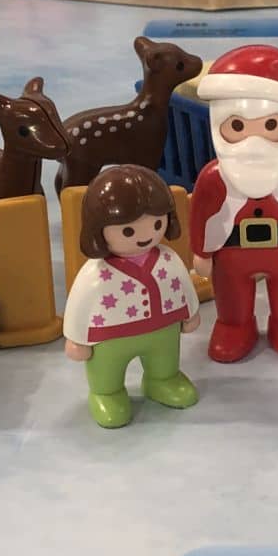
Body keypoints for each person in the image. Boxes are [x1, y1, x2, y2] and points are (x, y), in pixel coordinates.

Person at [187, 45, 278, 363]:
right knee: (232, 298)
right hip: (231, 251)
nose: (255, 141)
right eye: (237, 126)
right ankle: (234, 326)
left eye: (270, 126)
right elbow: (200, 213)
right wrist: (202, 251)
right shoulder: (213, 177)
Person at [62, 165, 201, 429]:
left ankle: (163, 379)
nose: (146, 235)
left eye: (156, 224)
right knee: (107, 372)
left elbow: (184, 283)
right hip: (110, 337)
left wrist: (191, 312)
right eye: (128, 230)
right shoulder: (96, 272)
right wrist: (76, 338)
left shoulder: (168, 258)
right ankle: (106, 393)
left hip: (164, 328)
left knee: (164, 361)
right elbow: (79, 304)